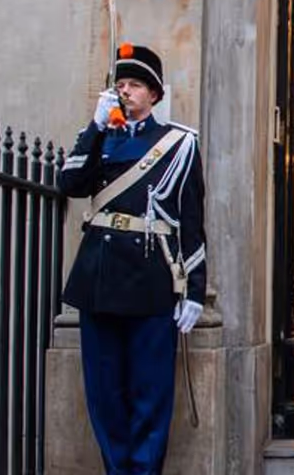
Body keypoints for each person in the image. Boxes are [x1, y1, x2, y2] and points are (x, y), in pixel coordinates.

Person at [57, 43, 207, 475]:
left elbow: (191, 221)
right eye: (120, 84)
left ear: (154, 94)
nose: (125, 91)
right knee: (105, 394)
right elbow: (70, 184)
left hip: (151, 280)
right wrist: (95, 126)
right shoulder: (100, 138)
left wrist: (194, 290)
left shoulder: (179, 144)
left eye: (135, 85)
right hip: (100, 280)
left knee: (150, 393)